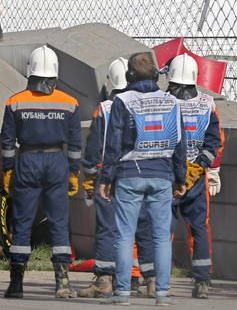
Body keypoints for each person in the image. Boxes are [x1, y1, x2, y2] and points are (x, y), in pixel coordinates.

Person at [99, 52, 187, 306]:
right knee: (161, 236)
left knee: (125, 236)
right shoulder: (172, 102)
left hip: (129, 174)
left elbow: (113, 143)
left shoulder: (123, 100)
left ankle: (124, 294)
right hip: (162, 175)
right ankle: (162, 294)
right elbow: (179, 145)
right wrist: (180, 179)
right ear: (157, 75)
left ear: (129, 75)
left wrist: (107, 178)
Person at [0, 45, 82, 299]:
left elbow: (6, 142)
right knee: (59, 221)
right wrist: (73, 172)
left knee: (22, 222)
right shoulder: (70, 103)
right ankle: (63, 282)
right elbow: (76, 144)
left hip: (27, 161)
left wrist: (8, 171)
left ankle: (16, 284)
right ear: (55, 74)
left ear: (30, 72)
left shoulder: (15, 102)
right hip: (57, 161)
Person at [79, 57, 156, 299]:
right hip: (143, 172)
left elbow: (93, 148)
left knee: (107, 229)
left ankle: (104, 280)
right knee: (142, 227)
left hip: (110, 175)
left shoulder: (104, 109)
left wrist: (90, 179)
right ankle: (150, 280)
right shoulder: (147, 104)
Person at [166, 53, 223, 299]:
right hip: (196, 177)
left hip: (167, 176)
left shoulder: (164, 101)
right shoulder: (207, 103)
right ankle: (202, 282)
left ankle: (157, 279)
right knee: (199, 228)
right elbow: (215, 142)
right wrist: (203, 168)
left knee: (161, 229)